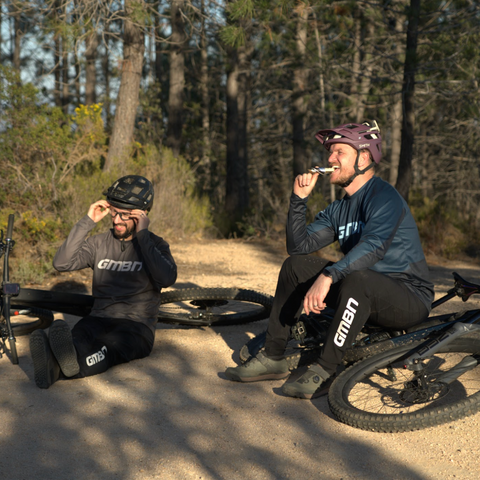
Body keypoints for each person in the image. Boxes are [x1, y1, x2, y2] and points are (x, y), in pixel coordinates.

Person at [225, 120, 434, 399]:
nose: (330, 159)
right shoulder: (339, 209)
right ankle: (273, 356)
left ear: (364, 157)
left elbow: (374, 247)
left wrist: (328, 276)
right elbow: (299, 246)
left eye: (339, 153)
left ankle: (326, 369)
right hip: (359, 289)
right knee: (295, 267)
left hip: (408, 296)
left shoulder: (384, 196)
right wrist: (298, 201)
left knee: (358, 279)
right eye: (330, 152)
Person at [29, 175, 177, 389]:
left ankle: (57, 363)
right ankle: (54, 364)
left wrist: (143, 235)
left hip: (136, 327)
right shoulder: (98, 243)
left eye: (125, 215)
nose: (116, 220)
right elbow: (61, 263)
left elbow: (167, 278)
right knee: (77, 339)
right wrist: (87, 221)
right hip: (98, 317)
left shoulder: (155, 245)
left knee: (106, 348)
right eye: (114, 212)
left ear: (141, 216)